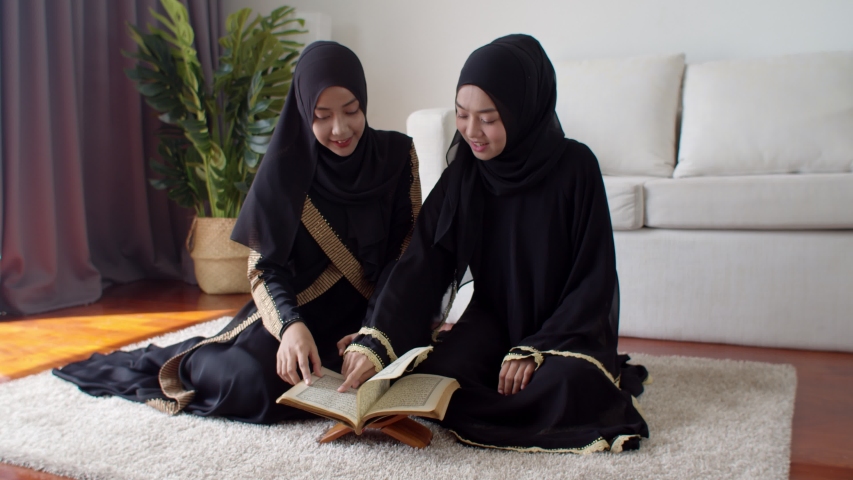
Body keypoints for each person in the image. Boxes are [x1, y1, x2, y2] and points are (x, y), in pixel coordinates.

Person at [53, 41, 422, 424]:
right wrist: (290, 328)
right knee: (255, 387)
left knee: (430, 368)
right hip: (300, 316)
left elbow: (407, 257)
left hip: (375, 314)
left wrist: (374, 335)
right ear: (302, 110)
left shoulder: (397, 156)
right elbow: (265, 269)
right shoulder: (285, 169)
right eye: (321, 115)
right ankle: (193, 357)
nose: (340, 128)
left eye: (351, 111)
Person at [339, 34, 650, 453]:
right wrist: (376, 338)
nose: (471, 132)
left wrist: (538, 348)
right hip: (494, 324)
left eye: (488, 118)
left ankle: (536, 380)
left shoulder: (576, 169)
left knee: (569, 385)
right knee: (436, 378)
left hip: (562, 332)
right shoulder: (467, 173)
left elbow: (594, 280)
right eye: (462, 115)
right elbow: (423, 261)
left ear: (523, 110)